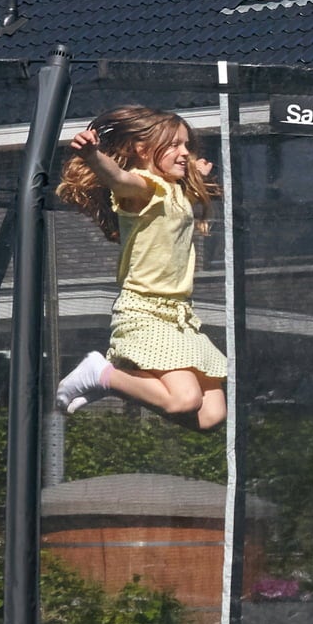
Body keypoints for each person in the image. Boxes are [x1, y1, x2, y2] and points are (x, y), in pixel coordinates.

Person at [52, 105, 227, 431]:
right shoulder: (144, 189)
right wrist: (93, 157)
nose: (185, 152)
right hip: (145, 312)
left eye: (186, 145)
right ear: (143, 150)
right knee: (184, 400)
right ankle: (101, 374)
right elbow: (119, 178)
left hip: (180, 316)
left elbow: (180, 200)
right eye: (174, 145)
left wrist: (196, 174)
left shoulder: (175, 190)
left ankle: (117, 381)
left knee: (211, 416)